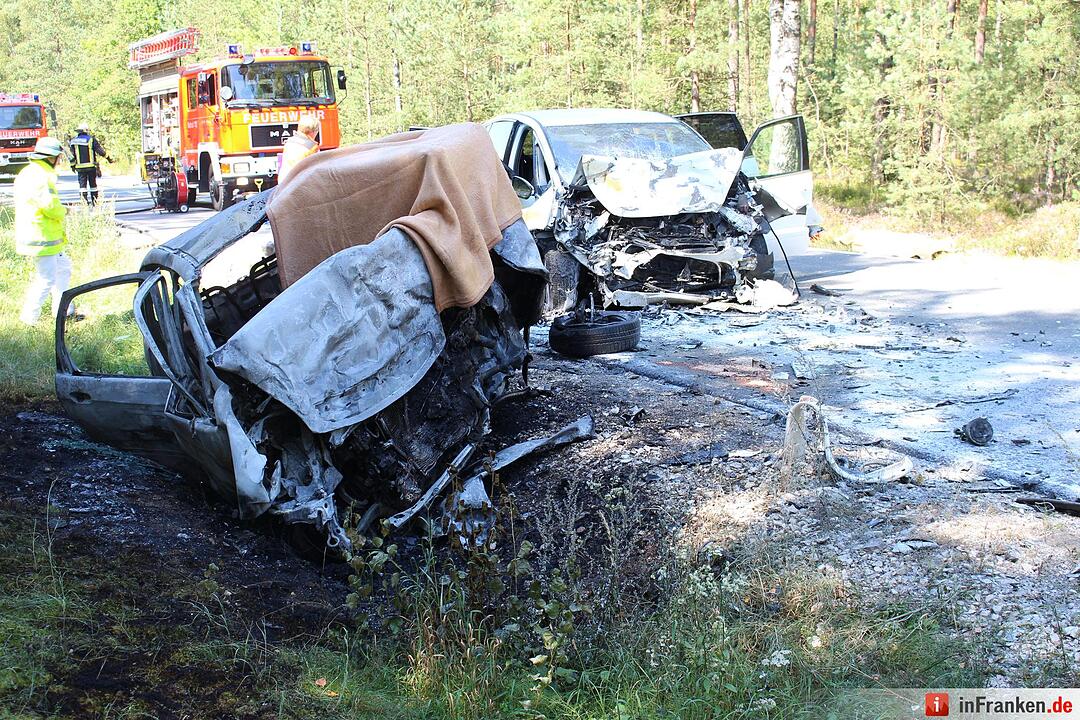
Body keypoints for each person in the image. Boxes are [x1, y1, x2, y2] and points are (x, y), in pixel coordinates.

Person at [15, 137, 75, 326]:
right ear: (52, 158)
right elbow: (49, 206)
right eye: (58, 157)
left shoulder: (29, 172)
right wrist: (64, 210)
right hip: (41, 237)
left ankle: (64, 311)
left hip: (40, 234)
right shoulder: (42, 177)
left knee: (63, 268)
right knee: (46, 279)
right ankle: (29, 319)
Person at [69, 123, 111, 205]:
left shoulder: (73, 141)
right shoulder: (91, 140)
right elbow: (100, 151)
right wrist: (108, 158)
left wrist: (72, 166)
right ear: (86, 131)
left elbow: (71, 156)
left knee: (82, 185)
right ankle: (94, 202)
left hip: (80, 168)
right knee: (93, 184)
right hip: (91, 167)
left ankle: (84, 202)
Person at [277, 115, 321, 183]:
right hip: (299, 184)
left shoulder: (289, 142)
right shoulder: (312, 147)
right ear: (313, 132)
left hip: (283, 182)